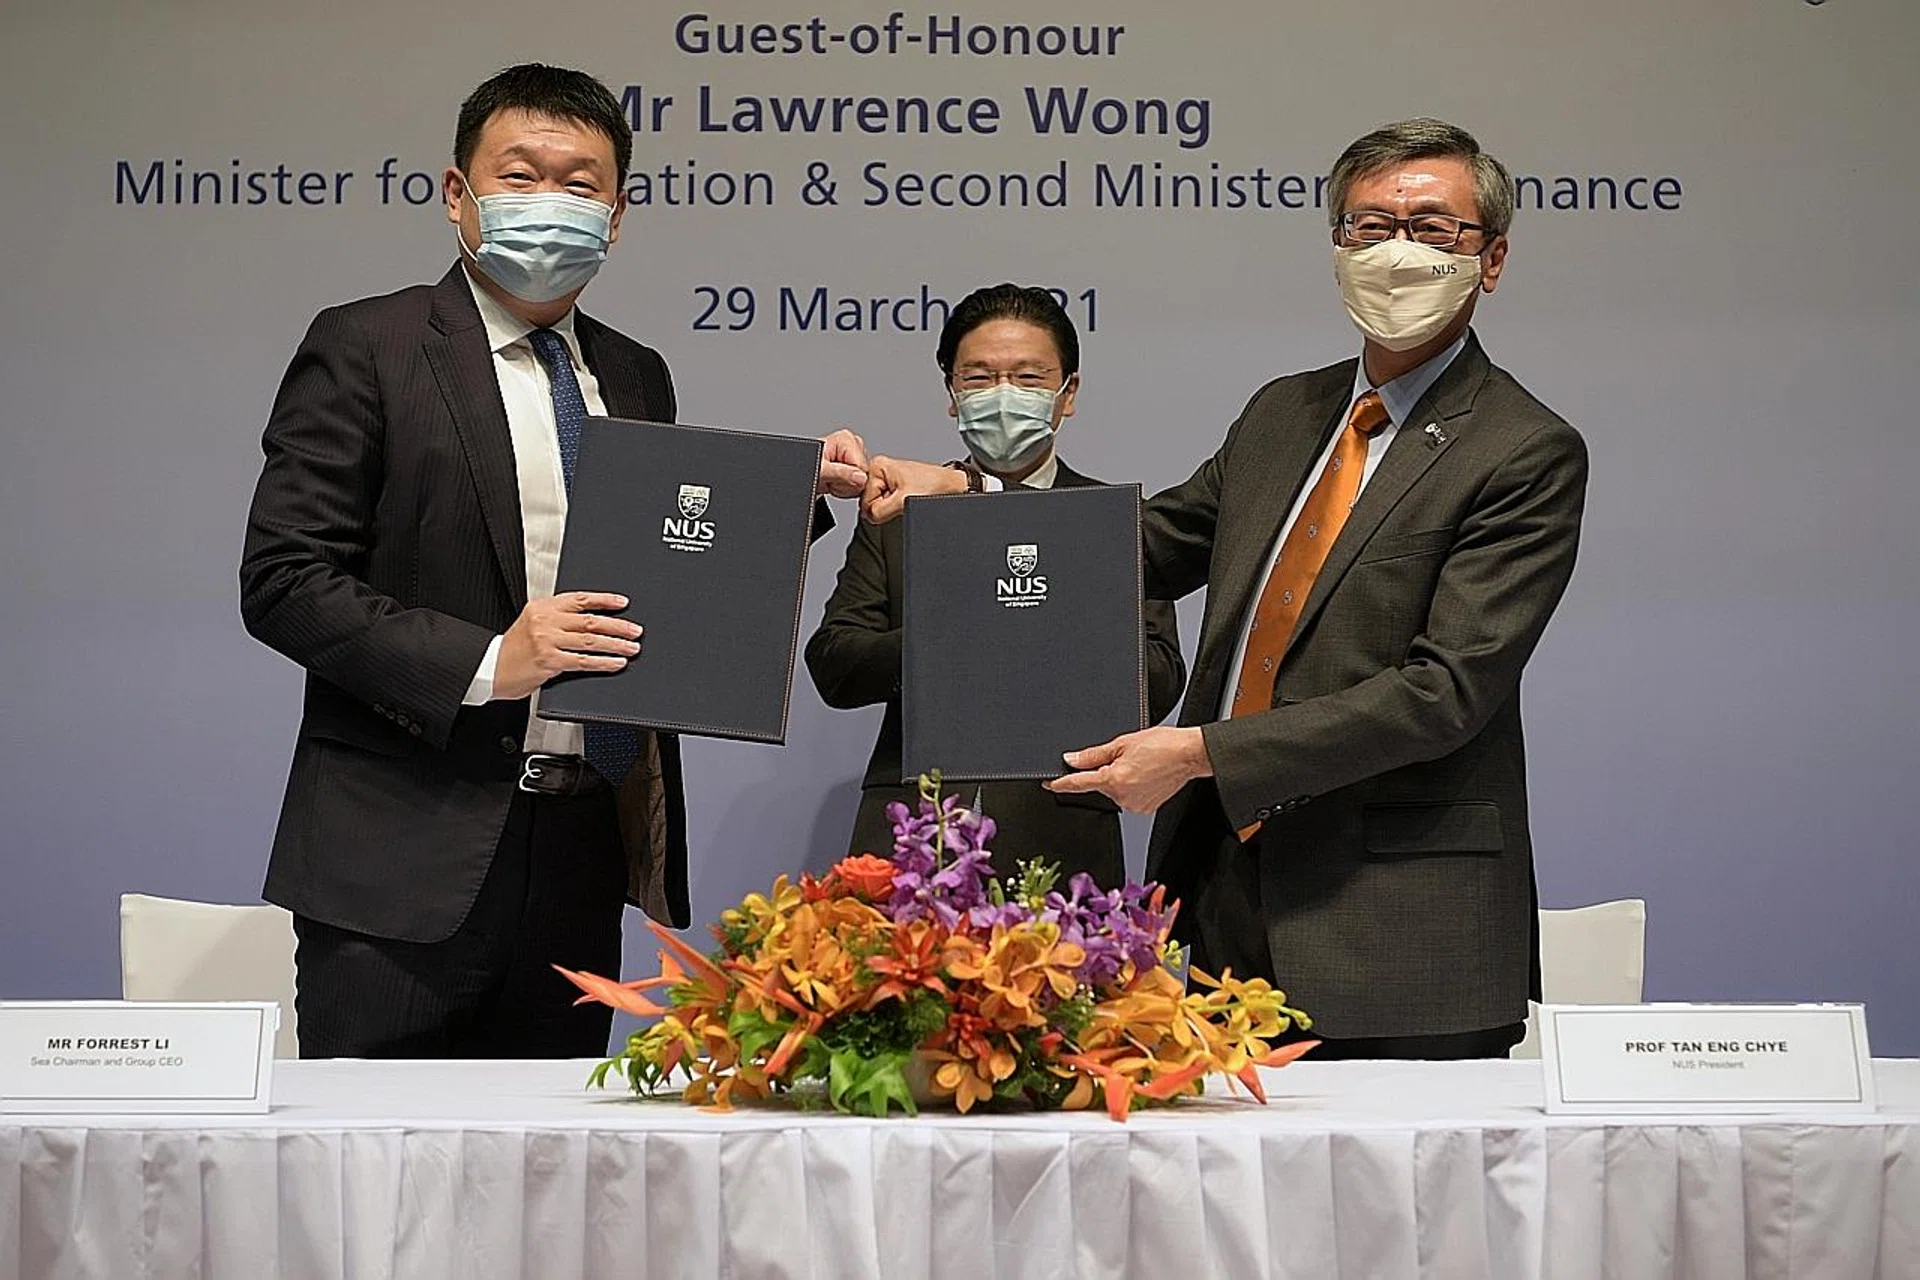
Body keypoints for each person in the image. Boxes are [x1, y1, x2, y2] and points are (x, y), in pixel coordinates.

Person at [861, 120, 1588, 1059]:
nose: (1397, 251)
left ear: (1490, 259)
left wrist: (1198, 752)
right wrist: (964, 490)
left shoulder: (1522, 448)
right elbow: (1146, 547)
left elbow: (1443, 694)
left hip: (1395, 931)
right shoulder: (1286, 411)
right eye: (1369, 226)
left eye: (1433, 228)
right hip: (1224, 896)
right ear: (1337, 250)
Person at [240, 64, 868, 1059]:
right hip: (405, 857)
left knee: (559, 1197)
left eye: (580, 186)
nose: (551, 205)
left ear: (617, 216)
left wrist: (795, 503)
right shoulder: (369, 344)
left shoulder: (633, 371)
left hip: (582, 844)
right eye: (520, 175)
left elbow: (661, 569)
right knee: (385, 1193)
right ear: (459, 195)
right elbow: (284, 578)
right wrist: (491, 659)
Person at [805, 284, 1185, 887]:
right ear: (953, 396)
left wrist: (1034, 631)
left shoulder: (1112, 519)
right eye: (979, 378)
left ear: (1069, 395)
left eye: (1029, 378)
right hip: (909, 834)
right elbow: (834, 665)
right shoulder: (898, 513)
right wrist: (946, 640)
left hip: (1060, 838)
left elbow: (1159, 676)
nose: (1003, 396)